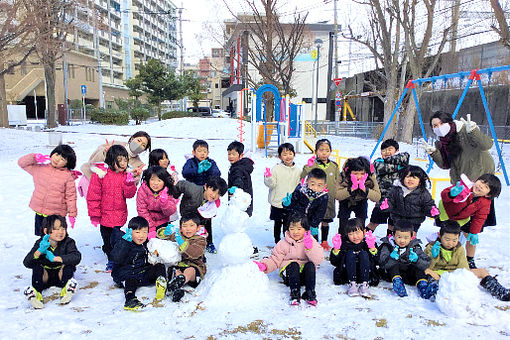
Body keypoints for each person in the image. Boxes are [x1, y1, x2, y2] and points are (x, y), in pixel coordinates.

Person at [421, 111, 497, 228]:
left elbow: (487, 145)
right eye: (435, 126)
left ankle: (467, 241)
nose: (439, 128)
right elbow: (446, 164)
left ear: (449, 122)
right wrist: (434, 153)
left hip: (479, 180)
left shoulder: (465, 132)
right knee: (458, 219)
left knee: (473, 222)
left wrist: (473, 131)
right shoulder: (442, 143)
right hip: (461, 183)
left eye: (441, 123)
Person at [424, 220, 510, 301]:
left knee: (482, 272)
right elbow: (428, 267)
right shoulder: (431, 248)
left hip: (455, 273)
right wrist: (433, 256)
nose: (450, 243)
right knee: (429, 274)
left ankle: (500, 292)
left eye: (454, 240)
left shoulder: (459, 248)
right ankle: (437, 293)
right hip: (438, 274)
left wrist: (461, 276)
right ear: (440, 235)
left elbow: (463, 268)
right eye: (447, 239)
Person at [254, 212, 324, 306]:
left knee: (310, 265)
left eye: (299, 229)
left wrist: (309, 248)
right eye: (292, 229)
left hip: (304, 276)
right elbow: (275, 259)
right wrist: (265, 265)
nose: (295, 232)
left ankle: (310, 293)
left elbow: (318, 260)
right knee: (293, 264)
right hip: (289, 275)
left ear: (305, 229)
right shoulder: (283, 243)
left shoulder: (310, 240)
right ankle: (295, 293)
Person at [86, 145, 138, 272]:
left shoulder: (126, 176)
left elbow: (129, 195)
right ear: (111, 160)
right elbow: (93, 196)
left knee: (117, 239)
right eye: (119, 160)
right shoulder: (100, 175)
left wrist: (130, 183)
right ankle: (110, 258)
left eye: (125, 160)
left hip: (119, 215)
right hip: (104, 215)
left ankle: (116, 259)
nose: (123, 163)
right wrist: (94, 214)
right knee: (107, 240)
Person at [438, 173, 501, 269]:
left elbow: (480, 217)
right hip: (447, 212)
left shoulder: (485, 202)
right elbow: (443, 195)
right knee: (446, 235)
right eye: (481, 181)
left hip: (463, 218)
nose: (480, 185)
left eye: (485, 186)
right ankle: (439, 255)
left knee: (471, 239)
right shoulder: (464, 186)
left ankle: (470, 259)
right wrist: (451, 194)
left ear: (488, 194)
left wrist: (474, 232)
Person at [18, 145, 79, 236]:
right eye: (57, 154)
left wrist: (72, 214)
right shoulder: (40, 169)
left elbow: (71, 197)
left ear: (68, 163)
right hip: (40, 212)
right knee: (42, 235)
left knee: (56, 237)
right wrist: (34, 158)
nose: (57, 159)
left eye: (62, 159)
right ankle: (43, 249)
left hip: (56, 215)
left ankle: (59, 250)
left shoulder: (67, 176)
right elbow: (22, 163)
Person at [23, 215, 81, 309]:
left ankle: (67, 290)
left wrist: (57, 258)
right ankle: (36, 295)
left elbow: (76, 257)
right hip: (45, 276)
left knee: (68, 266)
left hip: (60, 275)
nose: (60, 232)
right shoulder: (40, 243)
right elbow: (27, 263)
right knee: (37, 268)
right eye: (56, 229)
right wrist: (39, 252)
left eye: (63, 229)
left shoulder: (69, 242)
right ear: (46, 231)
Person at [111, 216, 167, 311]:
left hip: (142, 272)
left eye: (144, 232)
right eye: (137, 232)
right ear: (130, 232)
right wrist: (124, 242)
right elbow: (116, 258)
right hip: (126, 274)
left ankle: (161, 283)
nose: (141, 235)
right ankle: (130, 299)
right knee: (130, 280)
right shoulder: (125, 243)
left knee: (160, 266)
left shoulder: (146, 244)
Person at [79, 131, 151, 196]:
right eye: (138, 140)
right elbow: (93, 161)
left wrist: (134, 175)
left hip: (109, 194)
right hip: (90, 181)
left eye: (143, 145)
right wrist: (107, 153)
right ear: (132, 139)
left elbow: (129, 190)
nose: (139, 145)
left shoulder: (138, 164)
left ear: (144, 150)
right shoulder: (114, 144)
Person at [157, 214, 207, 302]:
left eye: (191, 226)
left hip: (194, 266)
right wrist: (164, 232)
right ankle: (176, 288)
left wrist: (182, 243)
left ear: (198, 228)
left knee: (190, 270)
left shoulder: (200, 240)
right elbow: (166, 237)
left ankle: (182, 280)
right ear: (180, 228)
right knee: (175, 271)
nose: (188, 229)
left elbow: (195, 253)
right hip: (178, 264)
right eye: (184, 226)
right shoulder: (178, 235)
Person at [171, 176, 228, 254]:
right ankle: (186, 248)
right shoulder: (193, 190)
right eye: (213, 190)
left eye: (218, 194)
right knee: (188, 230)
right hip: (188, 213)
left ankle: (207, 243)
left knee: (206, 224)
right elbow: (181, 184)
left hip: (201, 218)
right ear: (205, 186)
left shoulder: (213, 202)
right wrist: (174, 195)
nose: (214, 195)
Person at [301, 139, 340, 251]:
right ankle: (312, 241)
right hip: (314, 200)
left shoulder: (334, 166)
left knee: (325, 221)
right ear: (316, 151)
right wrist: (308, 166)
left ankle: (324, 241)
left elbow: (338, 181)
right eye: (321, 150)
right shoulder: (312, 165)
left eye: (327, 150)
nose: (324, 153)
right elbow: (303, 178)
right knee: (312, 221)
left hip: (329, 200)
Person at [377, 221, 433, 298]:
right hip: (393, 275)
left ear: (411, 236)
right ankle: (398, 284)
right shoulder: (388, 245)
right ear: (393, 235)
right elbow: (382, 264)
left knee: (419, 268)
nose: (402, 241)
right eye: (399, 237)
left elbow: (427, 263)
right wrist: (391, 258)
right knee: (393, 265)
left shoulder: (414, 246)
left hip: (409, 275)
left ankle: (423, 286)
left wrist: (417, 260)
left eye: (406, 238)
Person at [368, 139, 409, 234]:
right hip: (383, 200)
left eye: (390, 149)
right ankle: (365, 239)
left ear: (396, 151)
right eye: (384, 150)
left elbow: (406, 156)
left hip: (397, 201)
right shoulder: (378, 162)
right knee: (374, 222)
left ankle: (389, 242)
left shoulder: (402, 159)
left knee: (392, 225)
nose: (386, 152)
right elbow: (382, 168)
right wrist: (398, 167)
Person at [380, 165, 439, 233]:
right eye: (408, 176)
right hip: (397, 219)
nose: (410, 179)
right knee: (397, 235)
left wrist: (432, 211)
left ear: (420, 181)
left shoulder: (423, 193)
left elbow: (428, 204)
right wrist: (386, 206)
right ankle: (389, 241)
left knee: (409, 237)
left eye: (414, 177)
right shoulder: (396, 189)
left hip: (414, 221)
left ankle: (412, 242)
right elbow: (390, 200)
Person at [329, 218, 378, 298]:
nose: (355, 236)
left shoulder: (368, 242)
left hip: (366, 274)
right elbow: (335, 262)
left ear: (364, 231)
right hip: (347, 274)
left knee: (363, 254)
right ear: (347, 234)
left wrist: (372, 248)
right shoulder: (344, 243)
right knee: (350, 253)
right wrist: (336, 250)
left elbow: (377, 261)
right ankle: (352, 284)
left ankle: (365, 284)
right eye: (351, 234)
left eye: (358, 232)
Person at [264, 143, 301, 244]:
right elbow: (271, 184)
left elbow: (298, 186)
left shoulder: (297, 170)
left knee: (288, 223)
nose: (288, 156)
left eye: (290, 153)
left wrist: (295, 199)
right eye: (284, 154)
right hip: (277, 202)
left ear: (294, 154)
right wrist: (268, 177)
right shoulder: (276, 169)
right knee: (277, 222)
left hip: (290, 203)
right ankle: (277, 240)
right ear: (280, 156)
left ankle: (286, 241)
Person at [335, 157, 381, 235]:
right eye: (355, 174)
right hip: (346, 200)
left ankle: (359, 240)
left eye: (362, 174)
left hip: (361, 200)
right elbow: (337, 195)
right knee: (343, 223)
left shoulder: (370, 176)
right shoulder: (343, 175)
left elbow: (377, 197)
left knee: (361, 222)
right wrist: (351, 188)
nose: (359, 177)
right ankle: (342, 241)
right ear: (350, 172)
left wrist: (365, 189)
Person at [283, 168, 329, 241]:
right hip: (296, 220)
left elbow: (320, 212)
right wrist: (287, 204)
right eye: (312, 184)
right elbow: (292, 205)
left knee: (310, 242)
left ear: (324, 185)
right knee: (293, 240)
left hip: (310, 223)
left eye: (319, 185)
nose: (315, 188)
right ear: (307, 181)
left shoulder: (324, 196)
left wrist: (314, 225)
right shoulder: (300, 190)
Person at [136, 166, 178, 239]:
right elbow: (142, 210)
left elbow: (171, 211)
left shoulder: (167, 191)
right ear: (148, 180)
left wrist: (164, 203)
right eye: (152, 180)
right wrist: (151, 228)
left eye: (159, 180)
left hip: (163, 221)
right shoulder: (142, 191)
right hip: (147, 221)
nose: (155, 183)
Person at [227, 141, 254, 216]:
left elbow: (238, 179)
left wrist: (236, 187)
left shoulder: (238, 168)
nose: (231, 156)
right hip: (244, 200)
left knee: (237, 219)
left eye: (233, 154)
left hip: (240, 200)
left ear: (241, 155)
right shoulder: (241, 165)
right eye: (229, 154)